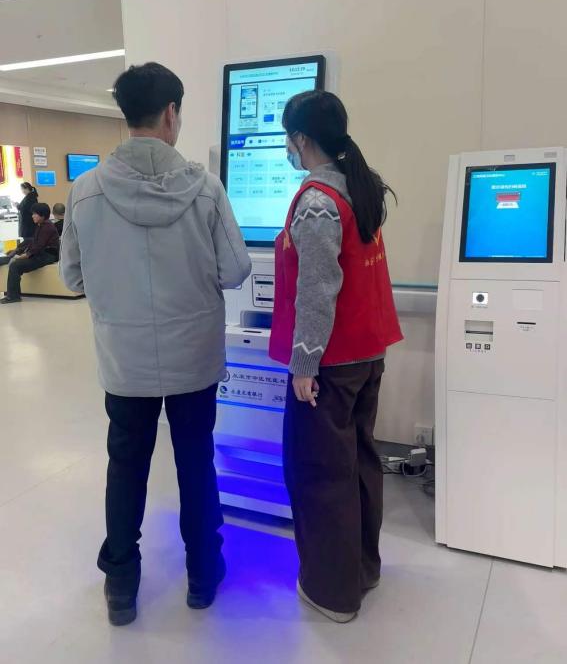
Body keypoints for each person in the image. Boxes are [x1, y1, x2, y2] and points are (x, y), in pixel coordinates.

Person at [60, 62, 251, 627]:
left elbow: (71, 277)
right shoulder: (205, 188)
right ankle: (203, 574)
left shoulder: (86, 191)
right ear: (171, 113)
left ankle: (121, 584)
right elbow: (236, 268)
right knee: (195, 461)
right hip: (193, 357)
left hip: (125, 363)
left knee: (126, 466)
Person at [269, 91, 403, 623]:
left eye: (288, 137)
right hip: (366, 354)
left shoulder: (317, 200)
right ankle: (363, 570)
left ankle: (333, 593)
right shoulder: (357, 187)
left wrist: (304, 365)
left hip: (330, 364)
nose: (288, 147)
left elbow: (318, 288)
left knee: (320, 474)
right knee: (360, 464)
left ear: (302, 138)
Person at [1, 202, 60, 304]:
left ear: (42, 215)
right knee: (5, 260)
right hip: (40, 254)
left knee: (15, 266)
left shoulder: (47, 227)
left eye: (35, 214)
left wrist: (24, 256)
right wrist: (17, 251)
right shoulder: (41, 225)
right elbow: (33, 243)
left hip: (47, 255)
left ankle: (13, 296)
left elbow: (38, 246)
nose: (32, 216)